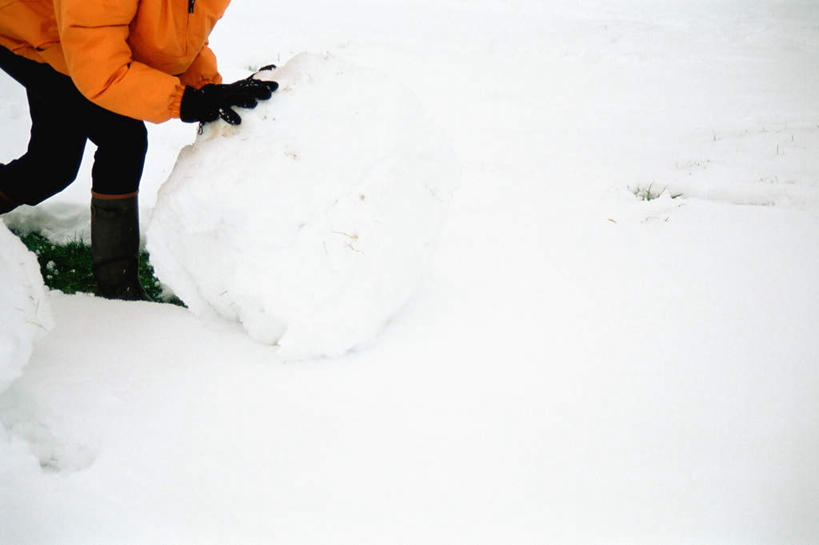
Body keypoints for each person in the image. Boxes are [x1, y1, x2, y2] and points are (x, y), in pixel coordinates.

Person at [0, 0, 277, 300]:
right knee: (121, 139)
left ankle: (118, 282)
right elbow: (101, 69)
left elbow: (181, 31)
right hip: (25, 29)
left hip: (74, 34)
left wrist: (205, 87)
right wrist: (186, 101)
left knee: (52, 165)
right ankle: (120, 288)